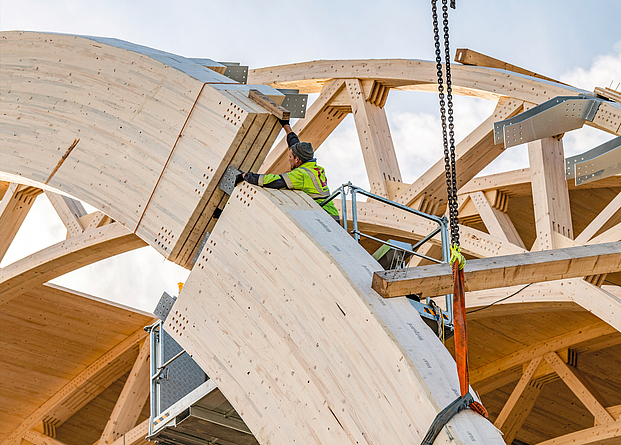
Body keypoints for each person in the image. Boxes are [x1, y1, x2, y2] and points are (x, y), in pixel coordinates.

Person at [241, 120, 340, 222]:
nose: (289, 160)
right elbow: (295, 145)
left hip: (325, 219)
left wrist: (246, 176)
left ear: (297, 160)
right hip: (332, 216)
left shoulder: (301, 175)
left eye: (290, 157)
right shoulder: (314, 168)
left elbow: (274, 181)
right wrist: (286, 126)